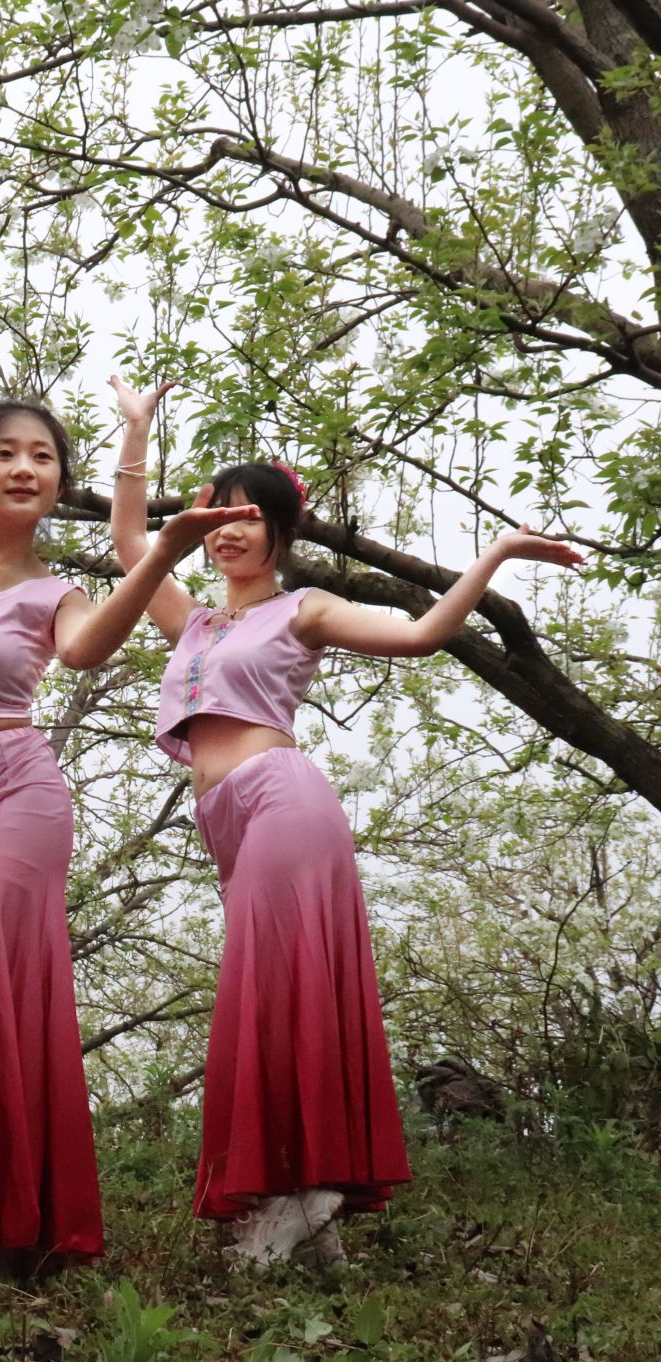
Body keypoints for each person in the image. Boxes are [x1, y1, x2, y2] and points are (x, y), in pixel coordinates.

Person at [107, 376, 582, 1265]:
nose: (229, 529)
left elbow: (421, 635)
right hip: (226, 819)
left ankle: (293, 1191)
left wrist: (495, 554)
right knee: (275, 996)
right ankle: (305, 1209)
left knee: (268, 992)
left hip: (282, 801)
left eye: (250, 515)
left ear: (282, 531)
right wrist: (137, 433)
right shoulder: (194, 621)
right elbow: (133, 543)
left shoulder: (305, 608)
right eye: (217, 514)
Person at [0, 392, 261, 1275]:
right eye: (6, 452)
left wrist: (163, 550)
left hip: (15, 793)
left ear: (60, 483)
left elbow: (89, 648)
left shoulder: (55, 594)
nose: (25, 468)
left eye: (44, 457)